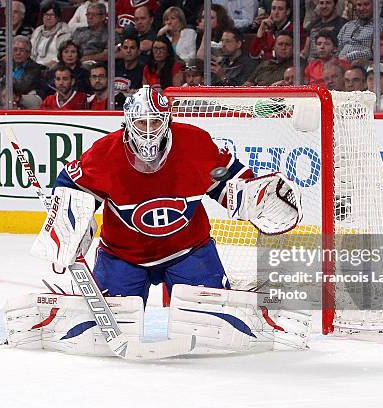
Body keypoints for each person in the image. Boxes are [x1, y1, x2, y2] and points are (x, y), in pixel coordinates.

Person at [24, 85, 310, 355]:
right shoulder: (105, 153)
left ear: (167, 121)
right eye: (141, 124)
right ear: (127, 123)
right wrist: (67, 226)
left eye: (155, 123)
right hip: (124, 255)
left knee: (213, 330)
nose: (148, 132)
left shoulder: (194, 142)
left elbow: (229, 183)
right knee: (105, 331)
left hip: (188, 250)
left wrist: (253, 196)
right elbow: (71, 185)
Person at [30, 2, 72, 68]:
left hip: (54, 67)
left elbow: (63, 55)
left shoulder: (64, 31)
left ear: (58, 17)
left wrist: (45, 67)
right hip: (34, 66)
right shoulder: (38, 30)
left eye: (52, 15)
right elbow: (31, 51)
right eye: (46, 15)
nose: (48, 18)